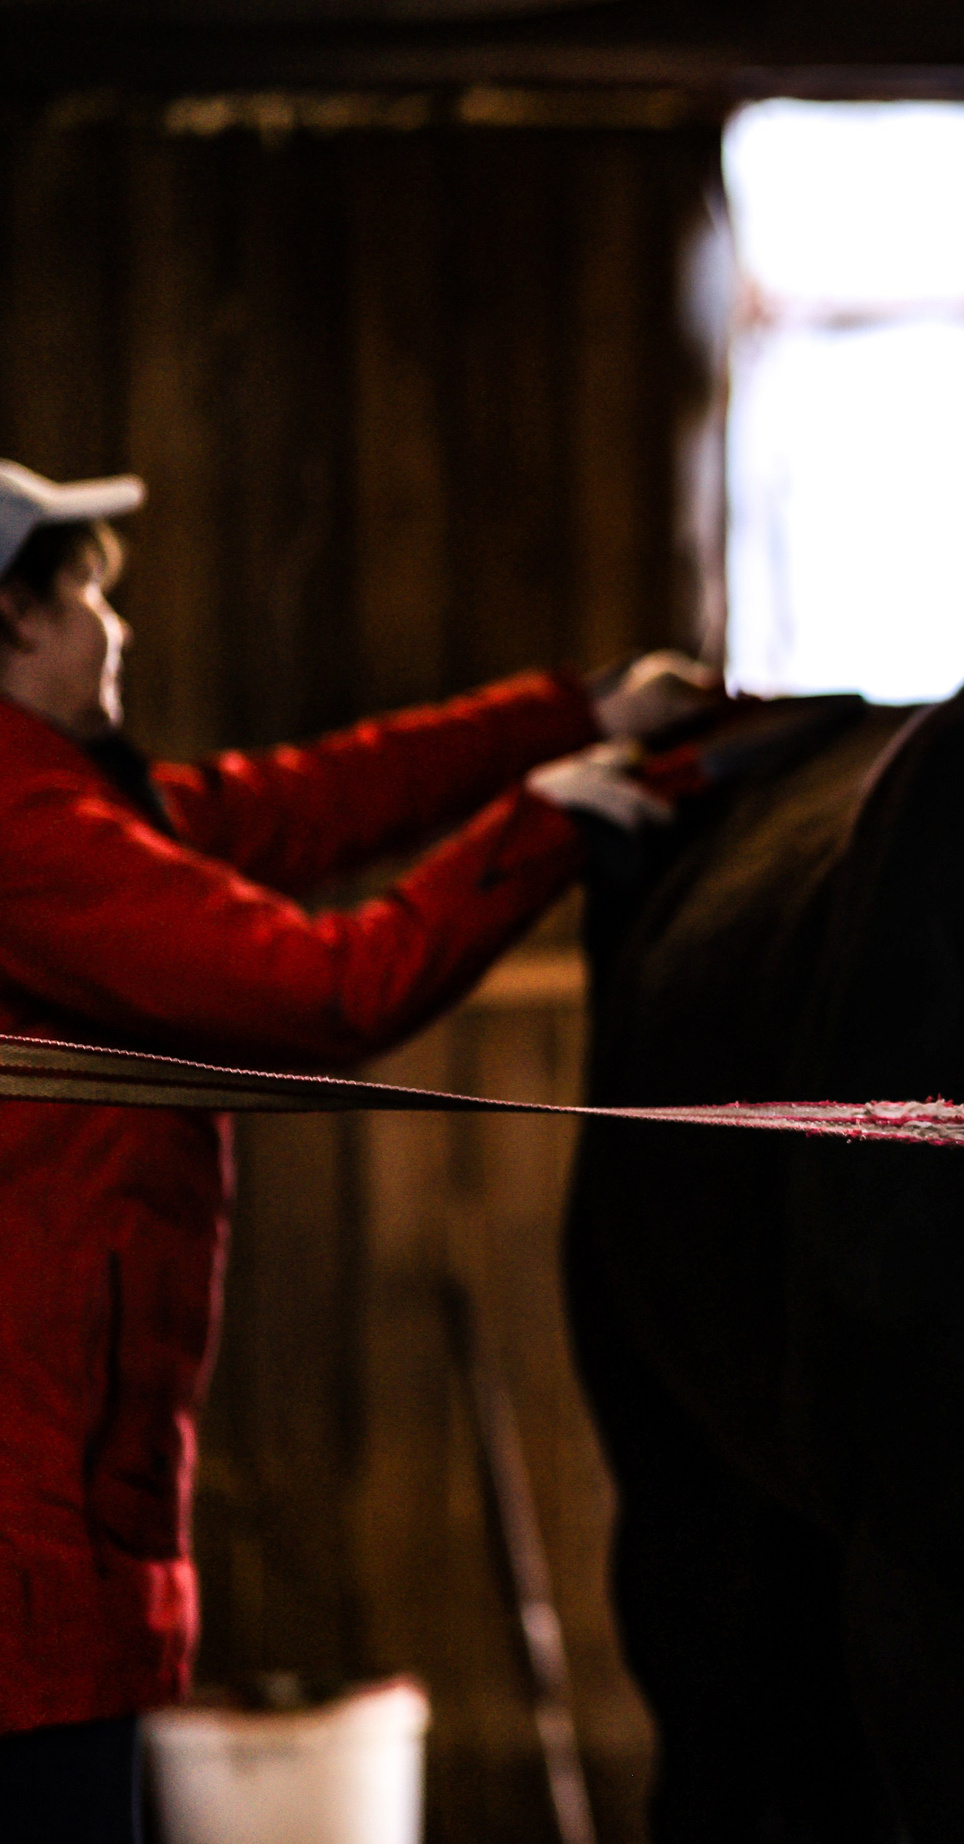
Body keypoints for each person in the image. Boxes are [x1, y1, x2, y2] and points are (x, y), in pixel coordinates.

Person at [0, 460, 707, 1840]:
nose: (117, 629)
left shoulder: (68, 804)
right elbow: (336, 989)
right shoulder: (26, 831)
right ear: (13, 624)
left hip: (59, 1515)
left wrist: (570, 716)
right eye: (88, 596)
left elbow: (304, 804)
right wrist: (550, 818)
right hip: (28, 1549)